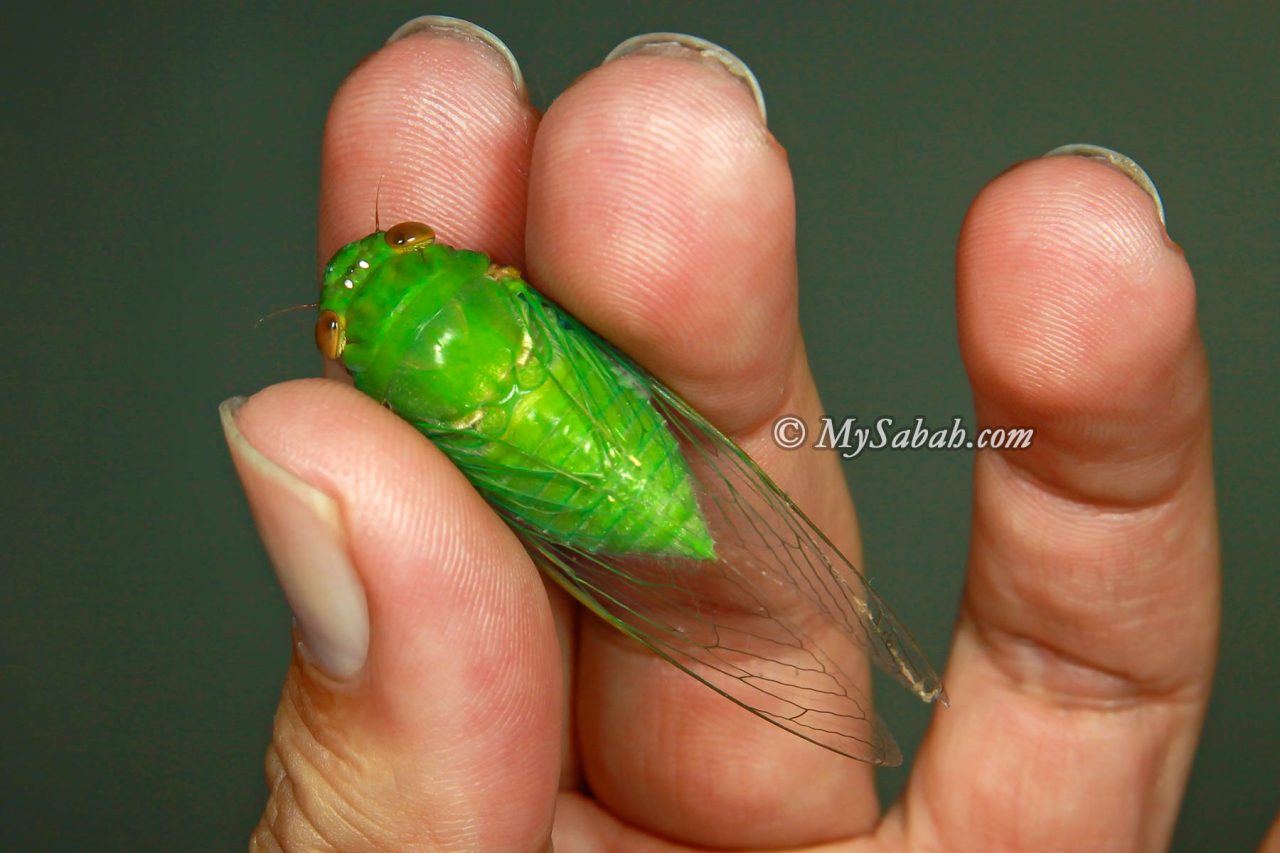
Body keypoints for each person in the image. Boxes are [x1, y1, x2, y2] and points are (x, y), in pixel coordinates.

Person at [222, 17, 1233, 851]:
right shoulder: (488, 277)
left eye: (401, 241)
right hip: (605, 437)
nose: (385, 260)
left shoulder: (401, 377)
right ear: (482, 272)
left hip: (584, 490)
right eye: (340, 324)